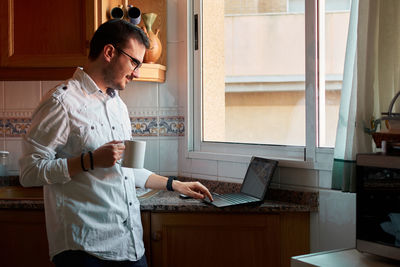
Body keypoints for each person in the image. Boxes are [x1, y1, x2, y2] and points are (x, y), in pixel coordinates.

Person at [19, 19, 213, 267]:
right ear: (109, 52)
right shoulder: (62, 102)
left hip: (129, 245)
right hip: (85, 250)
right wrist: (89, 161)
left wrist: (176, 185)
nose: (137, 73)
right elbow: (29, 172)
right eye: (134, 62)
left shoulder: (118, 106)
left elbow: (126, 171)